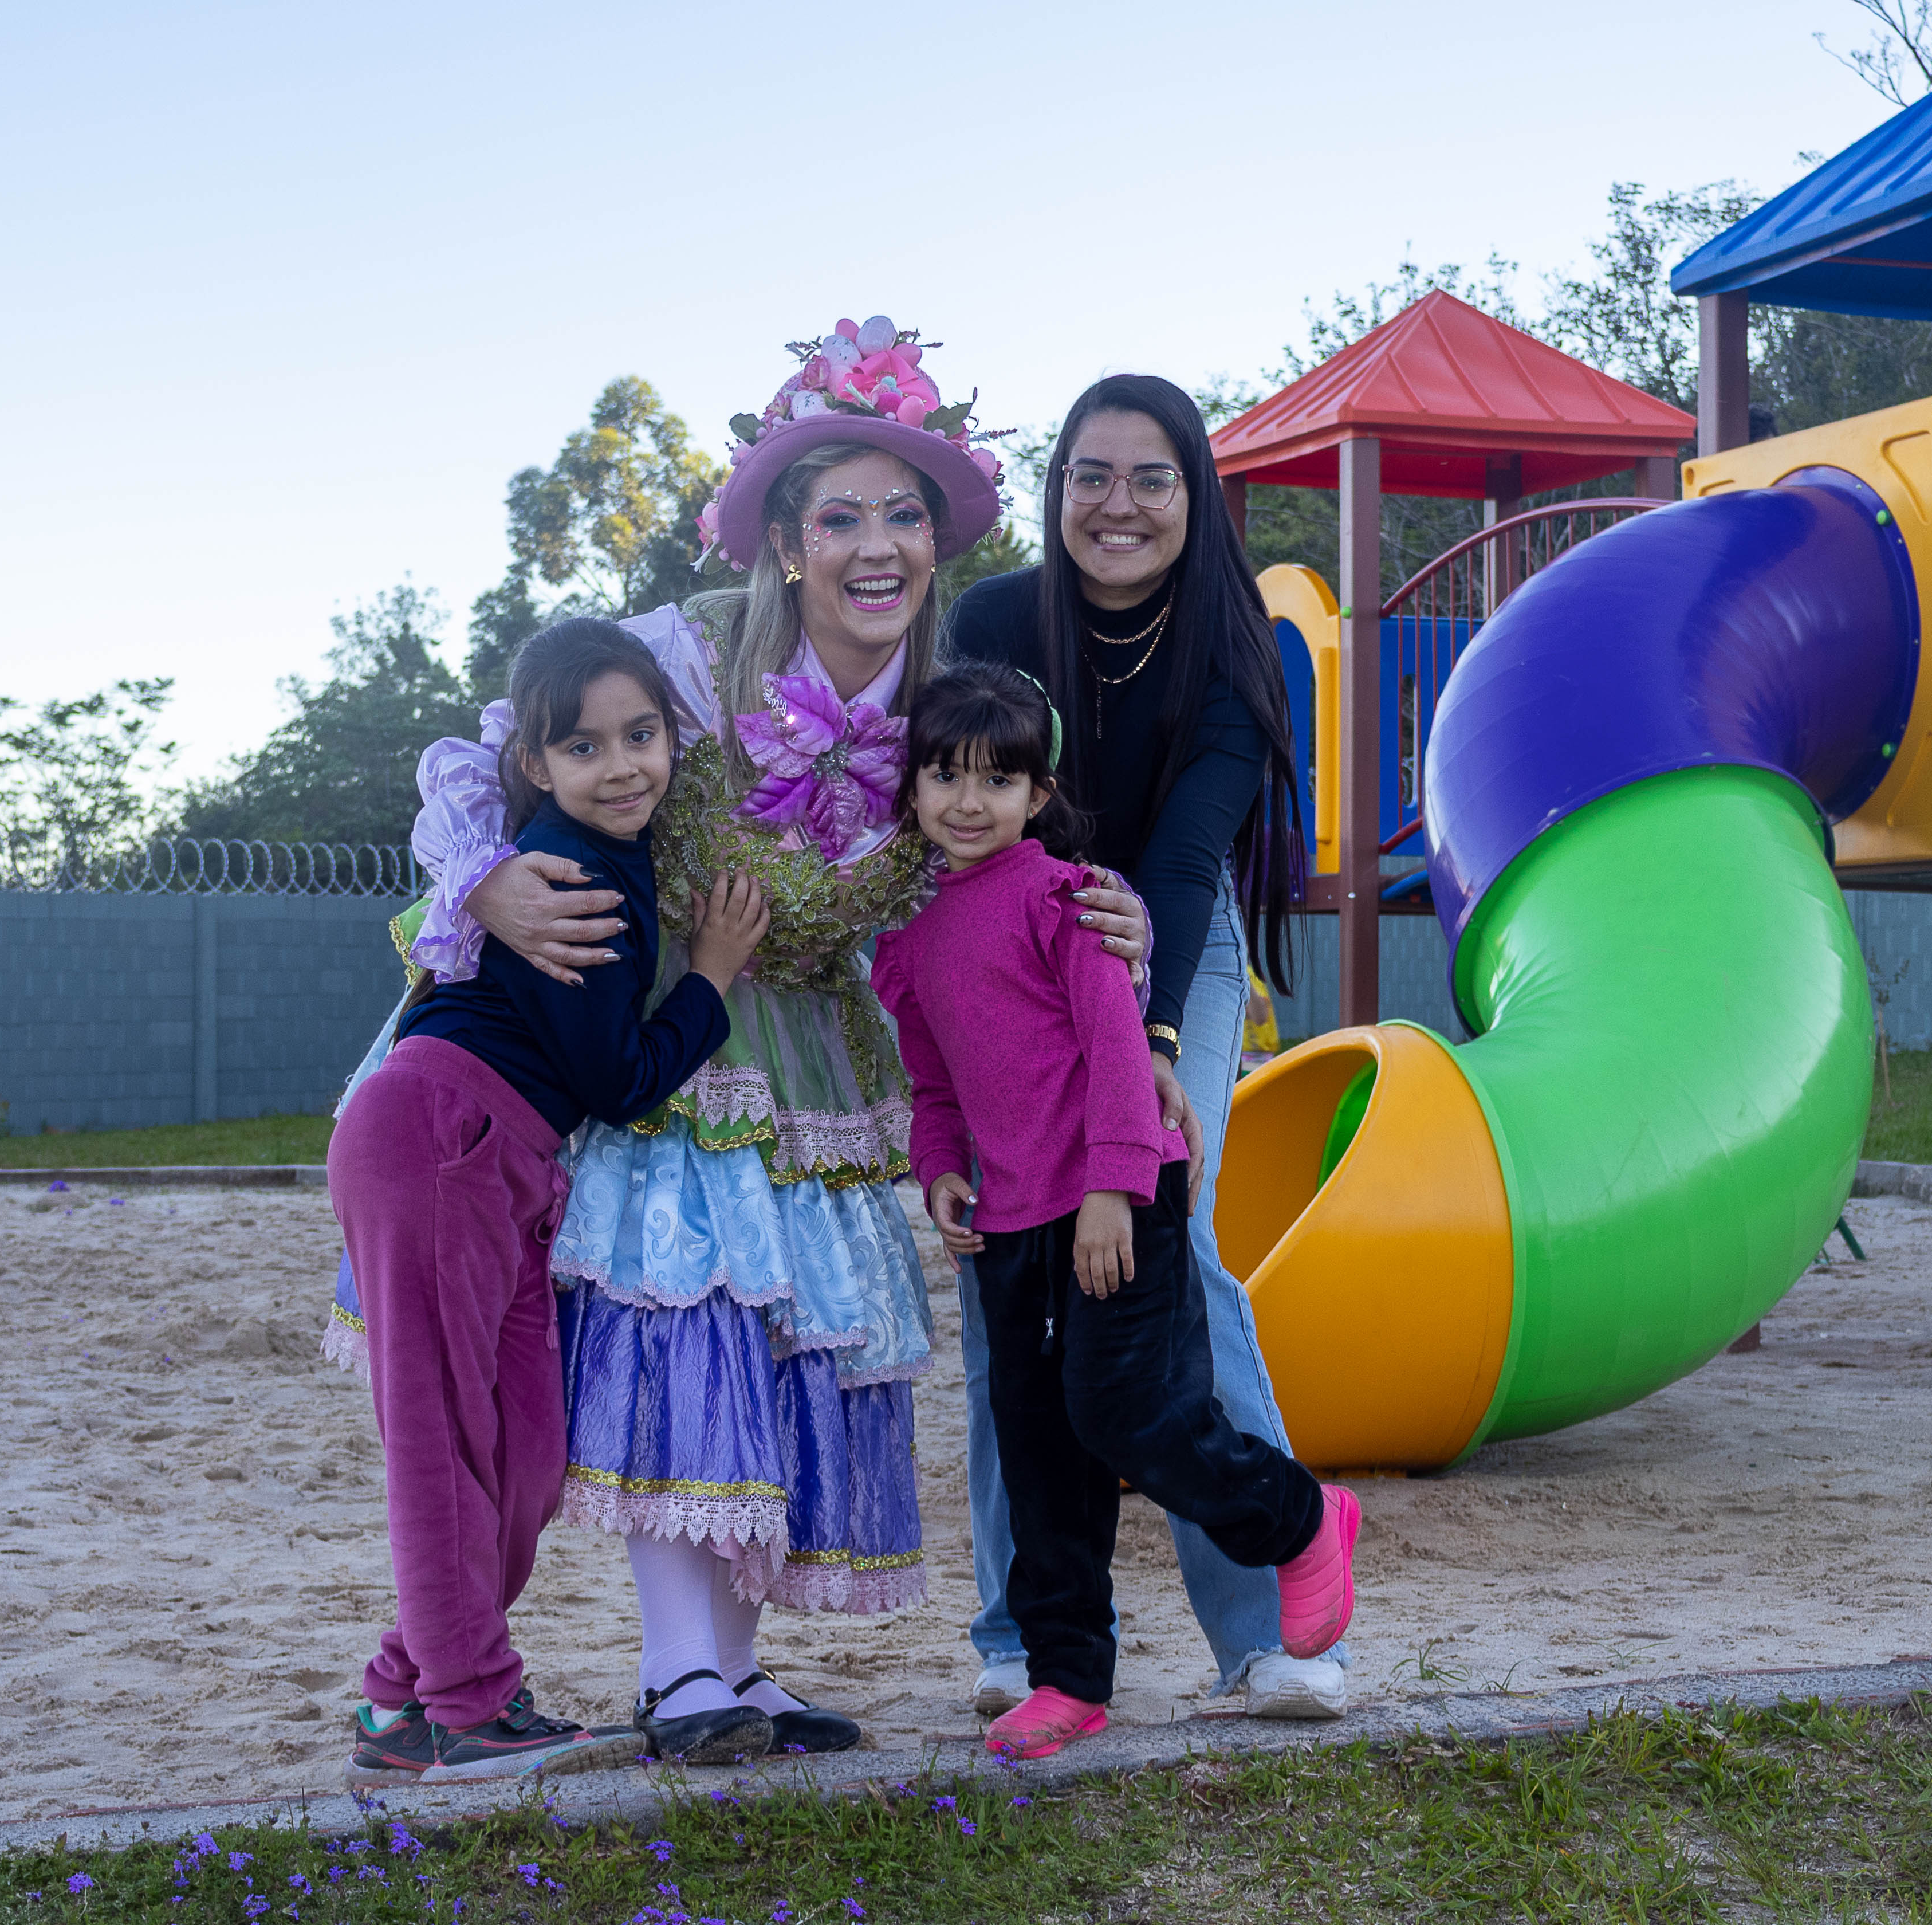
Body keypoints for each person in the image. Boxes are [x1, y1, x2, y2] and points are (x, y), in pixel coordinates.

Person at [341, 316, 1157, 1765]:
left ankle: (728, 1665)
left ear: (938, 539)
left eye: (904, 514)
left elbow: (1012, 855)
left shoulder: (948, 706)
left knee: (781, 1349)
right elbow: (491, 751)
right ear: (785, 541)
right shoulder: (685, 650)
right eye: (839, 516)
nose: (876, 546)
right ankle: (674, 1675)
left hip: (818, 1055)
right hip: (657, 1023)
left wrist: (1120, 926)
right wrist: (484, 878)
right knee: (683, 1326)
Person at [939, 374, 1348, 1719]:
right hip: (1011, 935)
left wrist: (1154, 1036)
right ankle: (1025, 1629)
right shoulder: (996, 620)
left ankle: (1269, 1628)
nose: (1118, 505)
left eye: (1151, 477)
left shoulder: (1237, 638)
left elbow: (1178, 860)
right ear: (1058, 489)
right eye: (1091, 475)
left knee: (1175, 1238)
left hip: (1173, 933)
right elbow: (959, 802)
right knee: (1010, 1257)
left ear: (1195, 494)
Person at [868, 663, 1358, 1762]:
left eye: (997, 780)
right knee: (1041, 1455)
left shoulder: (1069, 901)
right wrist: (939, 1168)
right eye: (944, 776)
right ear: (911, 787)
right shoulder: (909, 939)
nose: (967, 801)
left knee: (1126, 1412)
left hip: (1116, 1199)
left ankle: (1299, 1517)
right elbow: (935, 1086)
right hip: (1008, 1224)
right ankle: (1069, 1679)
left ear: (1037, 794)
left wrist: (1112, 1192)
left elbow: (1121, 1053)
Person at [330, 617, 770, 1787]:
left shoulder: (605, 856)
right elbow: (618, 1083)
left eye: (642, 735)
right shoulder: (570, 875)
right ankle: (471, 1708)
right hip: (438, 1136)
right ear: (532, 762)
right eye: (584, 747)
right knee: (443, 1438)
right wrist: (712, 976)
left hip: (507, 1163)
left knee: (527, 1455)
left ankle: (403, 1696)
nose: (622, 766)